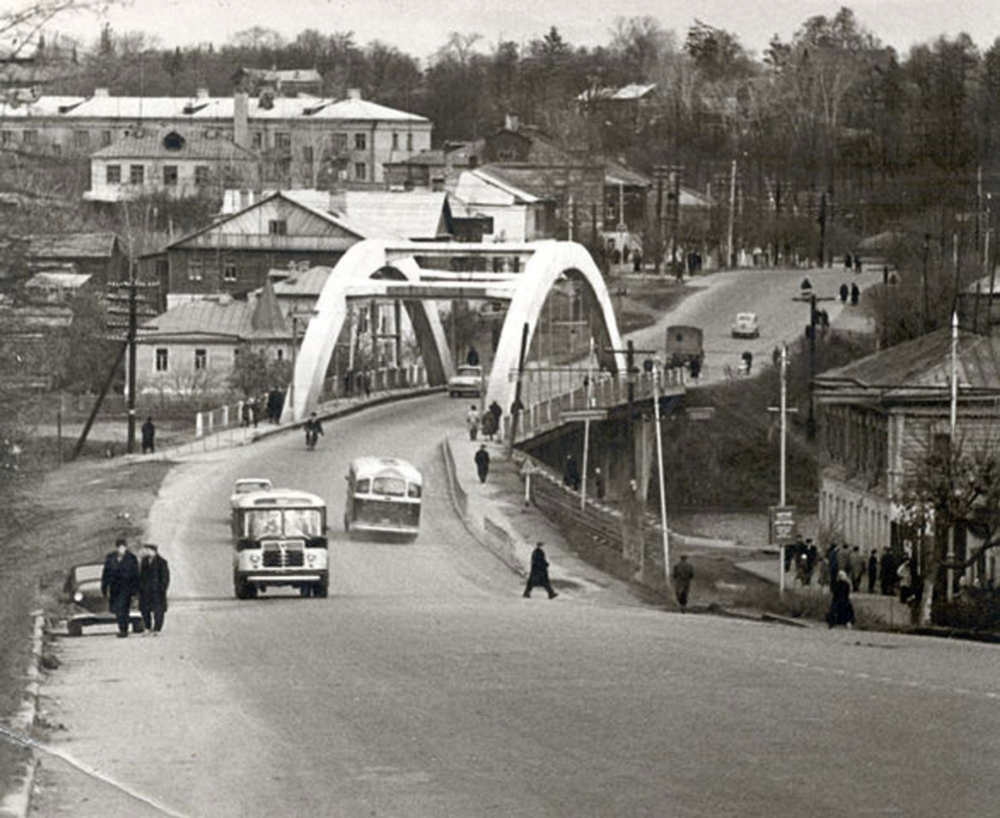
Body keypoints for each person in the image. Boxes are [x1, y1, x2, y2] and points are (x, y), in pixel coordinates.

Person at [101, 538, 140, 638]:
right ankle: (121, 627)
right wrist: (104, 587)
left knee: (124, 608)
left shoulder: (131, 558)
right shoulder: (110, 558)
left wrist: (135, 591)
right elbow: (105, 574)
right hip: (115, 588)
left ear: (126, 547)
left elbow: (136, 575)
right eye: (119, 547)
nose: (121, 549)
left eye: (123, 547)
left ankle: (124, 630)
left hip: (127, 588)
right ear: (117, 548)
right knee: (117, 610)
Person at [138, 543, 170, 635]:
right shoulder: (144, 561)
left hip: (157, 591)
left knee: (158, 611)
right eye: (146, 550)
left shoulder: (162, 562)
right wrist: (140, 587)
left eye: (148, 550)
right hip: (145, 591)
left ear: (154, 551)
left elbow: (165, 577)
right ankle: (147, 627)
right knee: (145, 610)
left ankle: (157, 629)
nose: (147, 552)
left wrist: (162, 588)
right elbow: (141, 575)